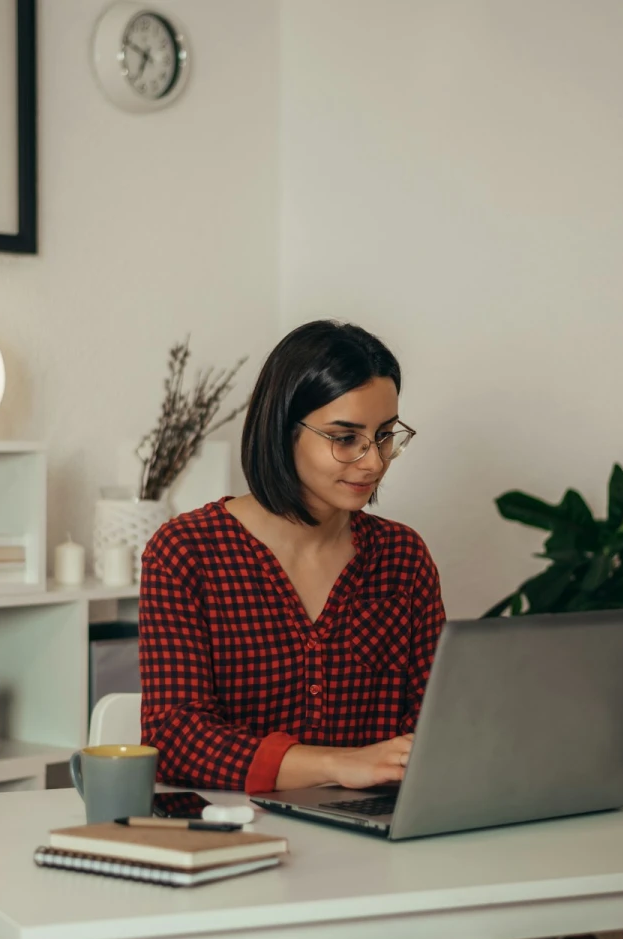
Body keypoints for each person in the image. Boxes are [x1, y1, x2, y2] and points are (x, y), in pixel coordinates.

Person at [138, 319, 445, 794]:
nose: (374, 462)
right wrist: (336, 764)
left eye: (385, 435)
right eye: (345, 438)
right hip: (234, 833)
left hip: (374, 837)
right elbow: (175, 736)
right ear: (282, 429)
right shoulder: (186, 552)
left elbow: (434, 720)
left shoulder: (402, 558)